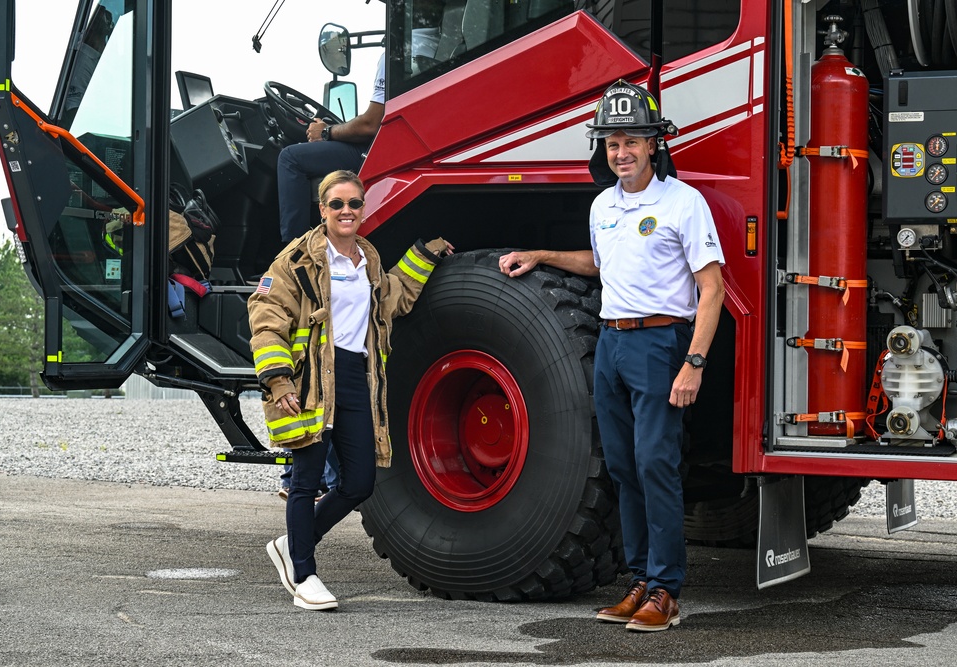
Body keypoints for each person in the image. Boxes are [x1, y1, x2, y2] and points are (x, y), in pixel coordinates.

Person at [498, 80, 725, 632]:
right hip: (612, 342)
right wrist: (541, 255)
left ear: (654, 145)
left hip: (659, 342)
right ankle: (641, 581)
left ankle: (667, 591)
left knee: (655, 463)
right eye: (611, 143)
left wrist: (693, 363)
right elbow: (603, 266)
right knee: (623, 465)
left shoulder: (682, 202)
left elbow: (712, 288)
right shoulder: (603, 205)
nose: (620, 153)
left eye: (630, 142)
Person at [248, 169, 453, 610]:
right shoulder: (296, 260)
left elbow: (392, 298)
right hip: (309, 379)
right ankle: (304, 574)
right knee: (306, 479)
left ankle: (292, 543)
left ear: (363, 208)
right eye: (336, 204)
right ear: (322, 210)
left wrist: (426, 254)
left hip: (357, 376)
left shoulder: (368, 258)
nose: (346, 211)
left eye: (354, 204)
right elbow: (265, 314)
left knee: (359, 482)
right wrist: (278, 378)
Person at [276, 55, 386, 242]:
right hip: (386, 143)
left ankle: (295, 253)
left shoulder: (392, 55)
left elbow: (370, 124)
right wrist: (334, 129)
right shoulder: (423, 51)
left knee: (290, 158)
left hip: (378, 148)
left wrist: (326, 132)